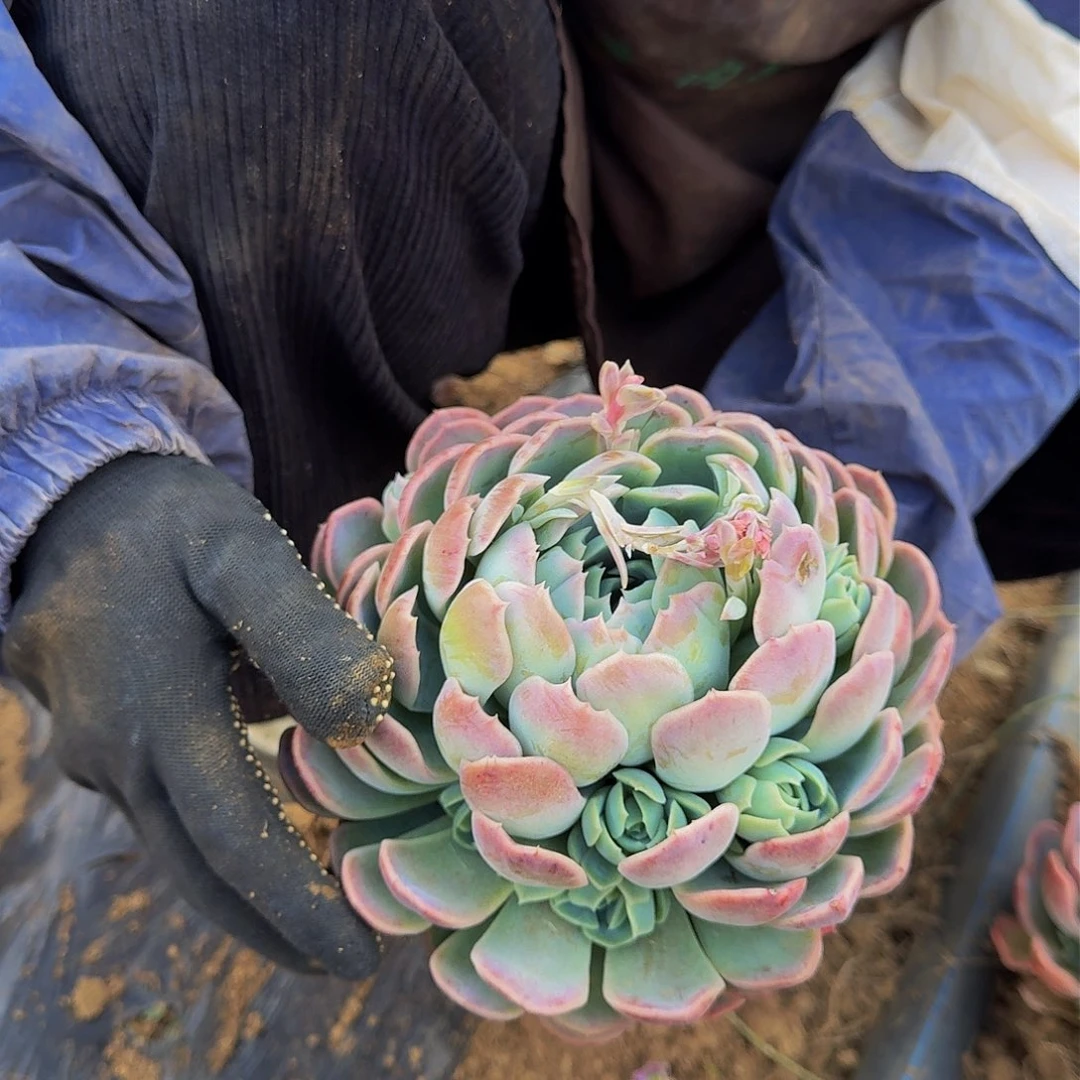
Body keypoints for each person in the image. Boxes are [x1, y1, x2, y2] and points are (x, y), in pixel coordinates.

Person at [0, 0, 1076, 1060]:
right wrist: (55, 440)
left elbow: (1040, 103)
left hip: (818, 154)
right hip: (415, 87)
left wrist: (836, 469)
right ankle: (278, 604)